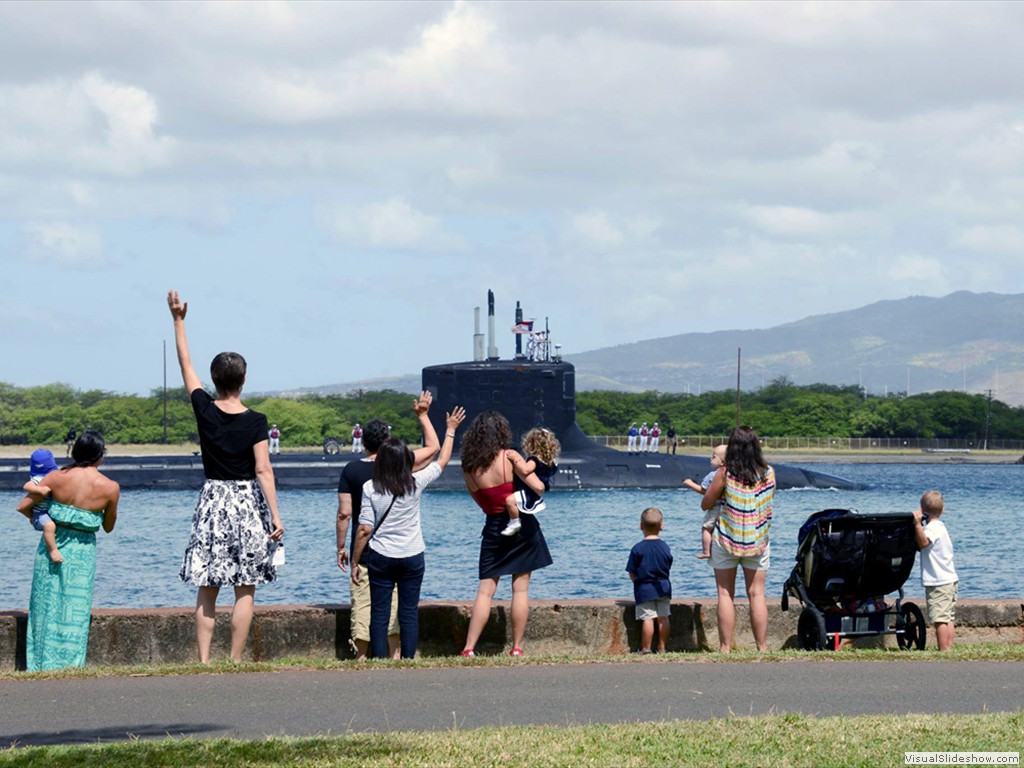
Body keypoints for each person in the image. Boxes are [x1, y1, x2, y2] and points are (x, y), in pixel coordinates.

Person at [167, 290, 285, 663]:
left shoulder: (204, 408)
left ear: (214, 379)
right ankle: (234, 660)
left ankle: (203, 661)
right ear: (244, 379)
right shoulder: (256, 421)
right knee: (244, 587)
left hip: (213, 500)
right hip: (247, 501)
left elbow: (186, 365)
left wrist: (179, 320)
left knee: (207, 586)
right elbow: (264, 469)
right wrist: (276, 516)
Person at [350, 406, 465, 659]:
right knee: (408, 612)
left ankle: (380, 660)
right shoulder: (414, 483)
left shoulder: (370, 487)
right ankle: (408, 658)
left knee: (379, 614)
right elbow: (441, 461)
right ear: (405, 461)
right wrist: (451, 431)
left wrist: (355, 561)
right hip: (413, 555)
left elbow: (364, 529)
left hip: (381, 556)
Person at [337, 395, 440, 659]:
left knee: (367, 606)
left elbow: (345, 514)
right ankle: (399, 655)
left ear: (363, 441)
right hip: (406, 550)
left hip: (371, 550)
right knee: (401, 607)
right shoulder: (405, 466)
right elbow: (434, 448)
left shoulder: (352, 471)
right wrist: (423, 416)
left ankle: (363, 656)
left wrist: (342, 548)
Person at [17, 431, 119, 670]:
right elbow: (108, 527)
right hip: (82, 552)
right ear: (99, 455)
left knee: (45, 605)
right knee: (75, 608)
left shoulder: (55, 477)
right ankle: (70, 664)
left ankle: (40, 663)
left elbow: (24, 506)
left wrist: (43, 521)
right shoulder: (110, 487)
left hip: (52, 546)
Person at [459, 411, 554, 658]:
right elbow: (537, 487)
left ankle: (469, 648)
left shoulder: (468, 467)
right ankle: (517, 647)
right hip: (522, 525)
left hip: (493, 527)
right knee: (520, 590)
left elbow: (480, 501)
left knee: (485, 590)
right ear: (501, 432)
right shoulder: (510, 458)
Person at [700, 426, 775, 652]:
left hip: (727, 539)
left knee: (725, 593)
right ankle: (761, 647)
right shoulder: (769, 472)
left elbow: (706, 503)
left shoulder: (725, 474)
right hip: (758, 539)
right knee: (757, 594)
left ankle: (725, 648)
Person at [912, 490, 957, 651]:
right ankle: (949, 647)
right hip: (950, 578)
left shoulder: (932, 528)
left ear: (922, 510)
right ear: (942, 510)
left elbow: (923, 542)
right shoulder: (941, 527)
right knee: (948, 618)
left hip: (938, 581)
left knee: (939, 619)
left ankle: (943, 649)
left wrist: (917, 524)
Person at [625, 508, 673, 654]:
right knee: (663, 617)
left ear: (641, 526)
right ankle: (662, 647)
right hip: (663, 587)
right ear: (661, 526)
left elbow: (632, 571)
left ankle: (646, 648)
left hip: (644, 589)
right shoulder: (665, 547)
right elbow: (668, 565)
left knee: (648, 618)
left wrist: (637, 583)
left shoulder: (637, 549)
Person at [500, 428, 561, 537]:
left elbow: (526, 470)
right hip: (534, 491)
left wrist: (516, 459)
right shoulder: (550, 462)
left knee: (509, 501)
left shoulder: (534, 459)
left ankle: (515, 523)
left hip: (528, 492)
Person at [683, 444, 727, 560]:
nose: (710, 459)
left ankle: (706, 551)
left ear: (722, 462)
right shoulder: (732, 475)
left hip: (715, 507)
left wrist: (690, 483)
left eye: (713, 457)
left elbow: (705, 492)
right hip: (727, 508)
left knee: (706, 528)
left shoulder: (713, 475)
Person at [21, 448, 62, 563]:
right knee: (49, 526)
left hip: (49, 512)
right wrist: (39, 490)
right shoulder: (38, 479)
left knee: (53, 525)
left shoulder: (54, 476)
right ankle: (53, 550)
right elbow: (26, 486)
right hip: (41, 513)